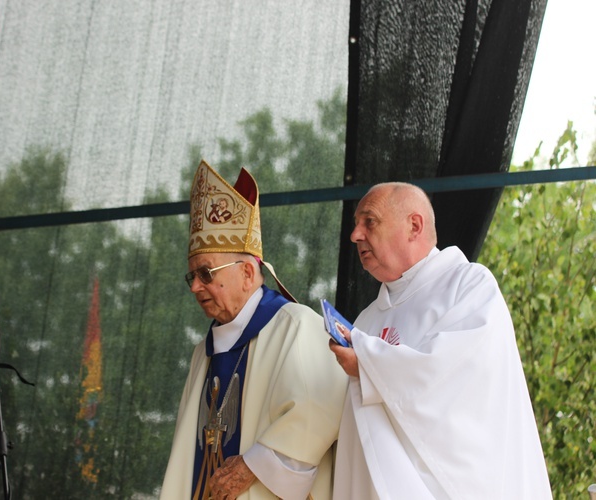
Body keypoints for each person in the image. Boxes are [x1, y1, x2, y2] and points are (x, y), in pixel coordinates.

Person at [329, 182, 552, 499]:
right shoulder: (366, 321)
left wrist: (368, 363)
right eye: (355, 225)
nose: (355, 235)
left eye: (369, 221)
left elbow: (450, 375)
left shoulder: (469, 286)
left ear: (414, 226)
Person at [160, 160, 347, 500]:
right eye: (192, 277)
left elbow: (322, 409)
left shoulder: (296, 326)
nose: (195, 288)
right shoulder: (203, 353)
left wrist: (253, 466)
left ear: (247, 273)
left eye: (206, 274)